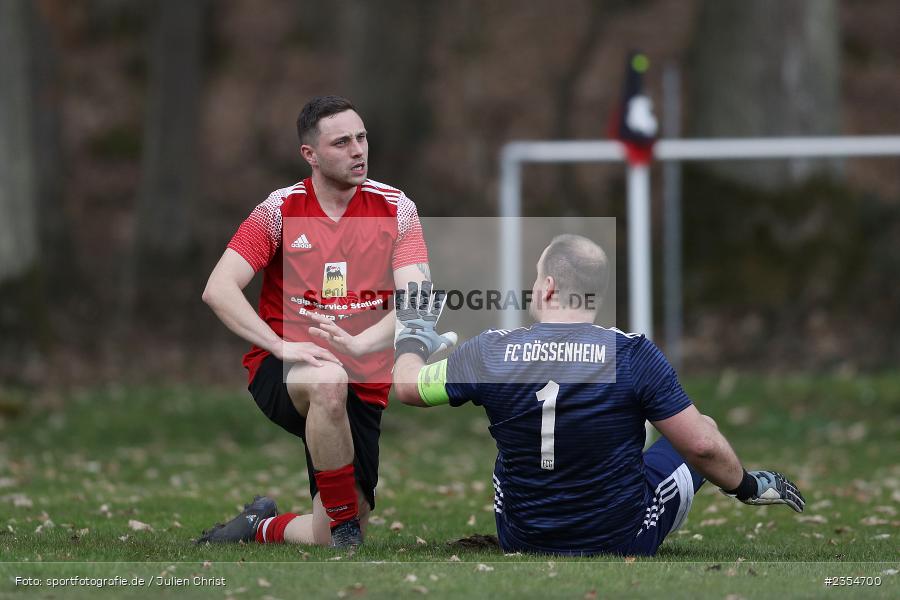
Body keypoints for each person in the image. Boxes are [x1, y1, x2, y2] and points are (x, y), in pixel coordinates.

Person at [392, 234, 805, 556]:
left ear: (549, 286)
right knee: (701, 431)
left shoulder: (490, 350)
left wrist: (413, 336)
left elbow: (408, 387)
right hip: (622, 540)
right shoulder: (633, 353)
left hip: (521, 536)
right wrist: (748, 486)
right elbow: (701, 445)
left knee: (512, 449)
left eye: (536, 277)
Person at [198, 95, 431, 547]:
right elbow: (218, 288)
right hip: (286, 370)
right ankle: (349, 536)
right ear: (311, 154)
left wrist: (364, 345)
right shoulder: (279, 210)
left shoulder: (396, 208)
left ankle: (262, 525)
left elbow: (418, 300)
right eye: (341, 142)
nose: (358, 150)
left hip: (362, 375)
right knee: (327, 379)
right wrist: (281, 346)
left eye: (361, 138)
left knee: (324, 530)